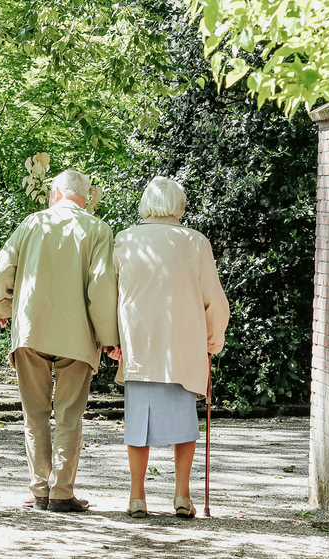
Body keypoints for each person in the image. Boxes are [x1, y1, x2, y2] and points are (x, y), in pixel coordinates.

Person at [0, 169, 119, 513]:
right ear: (85, 197)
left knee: (34, 414)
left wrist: (0, 306)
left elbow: (4, 269)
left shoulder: (31, 224)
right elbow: (102, 286)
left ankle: (39, 489)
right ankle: (61, 492)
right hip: (77, 335)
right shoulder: (98, 230)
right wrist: (109, 337)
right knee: (69, 415)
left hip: (32, 329)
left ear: (55, 193)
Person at [110, 176, 229, 519]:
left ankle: (137, 496)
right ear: (180, 205)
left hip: (139, 345)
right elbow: (215, 301)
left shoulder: (125, 240)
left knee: (137, 424)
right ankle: (181, 495)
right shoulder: (195, 243)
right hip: (182, 346)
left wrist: (112, 340)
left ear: (146, 203)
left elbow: (110, 295)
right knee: (184, 423)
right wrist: (212, 339)